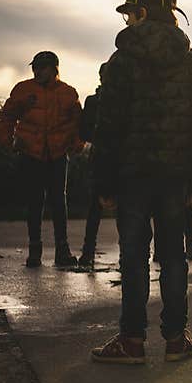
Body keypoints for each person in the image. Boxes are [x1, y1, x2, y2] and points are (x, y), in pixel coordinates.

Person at [90, 0, 192, 364]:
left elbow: (107, 125)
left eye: (130, 12)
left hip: (132, 174)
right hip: (175, 175)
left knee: (133, 255)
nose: (127, 20)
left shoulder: (121, 62)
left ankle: (131, 340)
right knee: (173, 256)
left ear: (141, 13)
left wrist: (103, 180)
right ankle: (176, 339)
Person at [0, 51, 83, 268]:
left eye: (42, 67)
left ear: (54, 69)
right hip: (31, 154)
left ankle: (62, 250)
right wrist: (9, 142)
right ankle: (34, 251)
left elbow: (76, 124)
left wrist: (76, 145)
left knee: (58, 202)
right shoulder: (23, 90)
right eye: (35, 67)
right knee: (35, 202)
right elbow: (7, 117)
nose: (37, 71)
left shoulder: (68, 93)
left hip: (56, 154)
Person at [77, 64, 106, 269]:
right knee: (97, 207)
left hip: (101, 157)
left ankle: (88, 252)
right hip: (103, 157)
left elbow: (85, 132)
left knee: (95, 208)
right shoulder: (94, 102)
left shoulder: (92, 101)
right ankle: (88, 251)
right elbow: (84, 131)